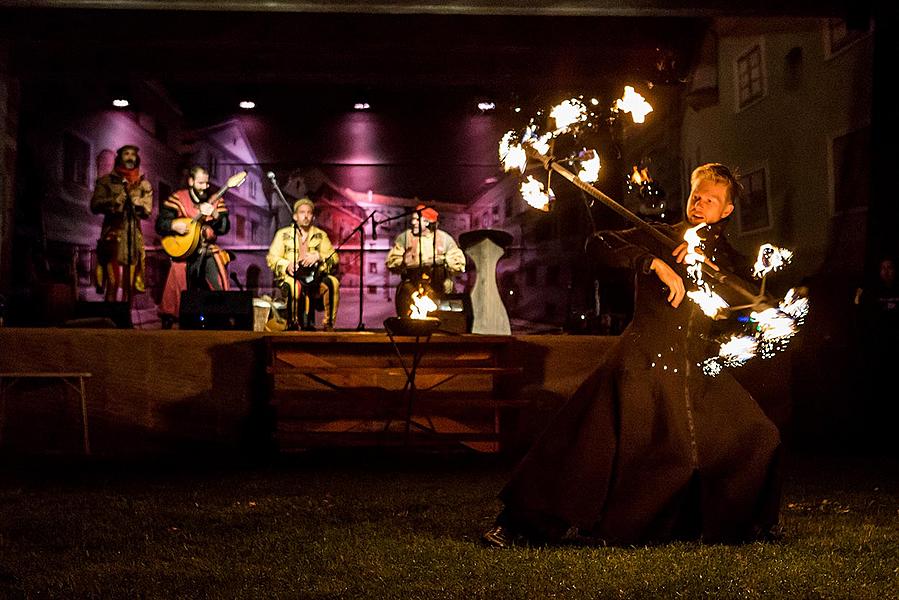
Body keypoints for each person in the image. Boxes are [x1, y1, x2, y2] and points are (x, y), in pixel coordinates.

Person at [483, 163, 783, 547]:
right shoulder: (659, 236)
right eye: (696, 196)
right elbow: (598, 244)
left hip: (696, 366)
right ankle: (521, 526)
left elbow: (756, 302)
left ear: (726, 210)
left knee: (757, 434)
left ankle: (744, 524)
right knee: (588, 441)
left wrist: (754, 297)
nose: (699, 204)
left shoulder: (731, 262)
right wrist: (652, 262)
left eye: (711, 199)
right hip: (642, 357)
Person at [155, 166, 231, 328]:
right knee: (179, 279)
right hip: (184, 252)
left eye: (207, 183)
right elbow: (160, 224)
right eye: (201, 183)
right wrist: (174, 226)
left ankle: (219, 319)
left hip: (207, 250)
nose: (205, 187)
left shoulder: (215, 199)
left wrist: (215, 214)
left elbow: (224, 228)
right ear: (191, 181)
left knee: (216, 282)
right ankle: (176, 318)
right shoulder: (178, 198)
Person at [90, 144, 154, 303]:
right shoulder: (106, 181)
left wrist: (137, 202)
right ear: (120, 157)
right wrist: (114, 200)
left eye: (133, 154)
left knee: (129, 283)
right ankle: (110, 318)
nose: (130, 157)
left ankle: (126, 320)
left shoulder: (143, 184)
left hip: (132, 236)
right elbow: (95, 205)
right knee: (112, 281)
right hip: (112, 235)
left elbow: (147, 211)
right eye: (127, 153)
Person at [266, 197, 339, 331]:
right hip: (292, 276)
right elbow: (272, 258)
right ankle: (293, 324)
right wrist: (286, 265)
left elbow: (334, 257)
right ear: (295, 216)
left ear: (313, 217)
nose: (305, 216)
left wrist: (319, 256)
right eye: (302, 212)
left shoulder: (320, 235)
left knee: (332, 282)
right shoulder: (283, 234)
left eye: (309, 212)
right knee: (294, 287)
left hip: (314, 277)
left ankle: (328, 325)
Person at [386, 204, 466, 316]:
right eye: (413, 219)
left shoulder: (445, 239)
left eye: (417, 219)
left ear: (427, 222)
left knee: (440, 322)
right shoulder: (405, 238)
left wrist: (445, 262)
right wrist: (403, 262)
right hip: (411, 290)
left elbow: (459, 264)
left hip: (439, 287)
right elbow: (392, 262)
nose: (413, 222)